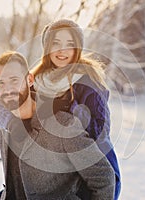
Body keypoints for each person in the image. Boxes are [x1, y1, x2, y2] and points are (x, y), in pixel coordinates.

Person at [0, 51, 115, 199]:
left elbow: (103, 178)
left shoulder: (62, 125)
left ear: (29, 80)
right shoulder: (4, 122)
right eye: (1, 83)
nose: (8, 90)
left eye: (15, 80)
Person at [31, 19, 121, 199]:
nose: (61, 50)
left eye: (69, 45)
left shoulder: (86, 82)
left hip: (89, 173)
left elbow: (99, 132)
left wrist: (74, 116)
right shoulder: (36, 81)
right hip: (52, 174)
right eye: (55, 43)